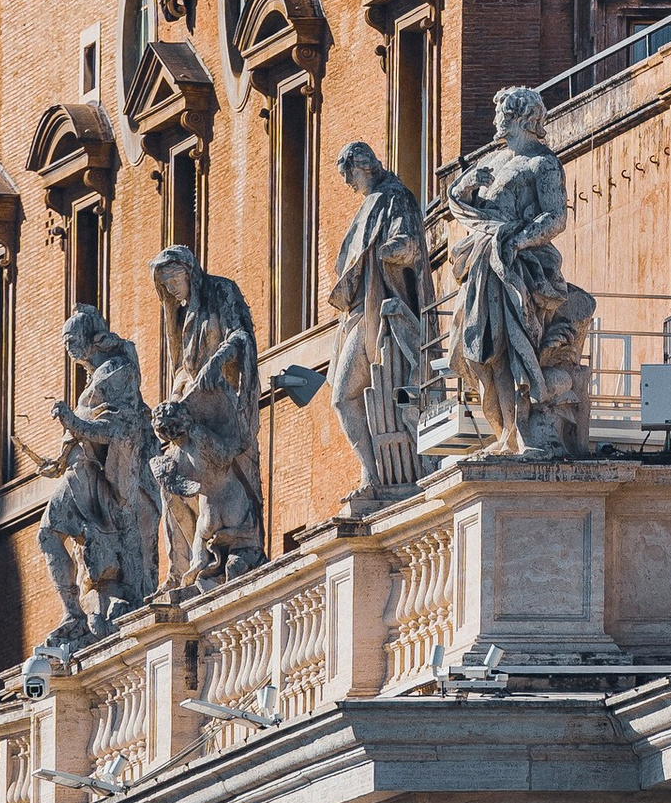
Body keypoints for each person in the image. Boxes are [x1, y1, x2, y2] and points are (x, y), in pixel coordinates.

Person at [441, 86, 597, 457]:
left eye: (501, 114)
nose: (495, 120)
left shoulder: (542, 163)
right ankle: (506, 434)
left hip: (519, 268)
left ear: (521, 118)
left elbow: (555, 217)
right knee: (481, 352)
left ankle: (523, 433)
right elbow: (459, 201)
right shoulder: (492, 161)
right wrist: (464, 187)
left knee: (513, 348)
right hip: (484, 262)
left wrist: (516, 241)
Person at [289, 142, 434, 492]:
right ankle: (371, 473)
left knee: (350, 396)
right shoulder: (370, 203)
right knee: (342, 398)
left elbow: (410, 245)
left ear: (364, 166)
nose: (348, 183)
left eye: (349, 174)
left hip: (381, 307)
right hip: (358, 312)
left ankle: (382, 474)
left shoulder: (395, 197)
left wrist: (386, 250)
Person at [35, 308, 160, 649]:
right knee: (47, 534)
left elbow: (120, 429)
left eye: (73, 339)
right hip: (79, 469)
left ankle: (91, 609)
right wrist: (57, 460)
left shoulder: (117, 371)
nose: (68, 346)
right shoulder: (94, 380)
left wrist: (72, 422)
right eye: (65, 341)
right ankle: (72, 613)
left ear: (94, 339)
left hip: (102, 473)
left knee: (92, 544)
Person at [151, 246, 266, 581]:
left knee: (229, 469)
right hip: (191, 405)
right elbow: (182, 369)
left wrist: (218, 360)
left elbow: (241, 335)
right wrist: (172, 405)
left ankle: (242, 545)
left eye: (174, 280)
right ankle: (184, 566)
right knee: (171, 480)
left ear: (190, 272)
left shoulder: (221, 291)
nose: (172, 289)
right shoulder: (180, 313)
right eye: (166, 285)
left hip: (222, 403)